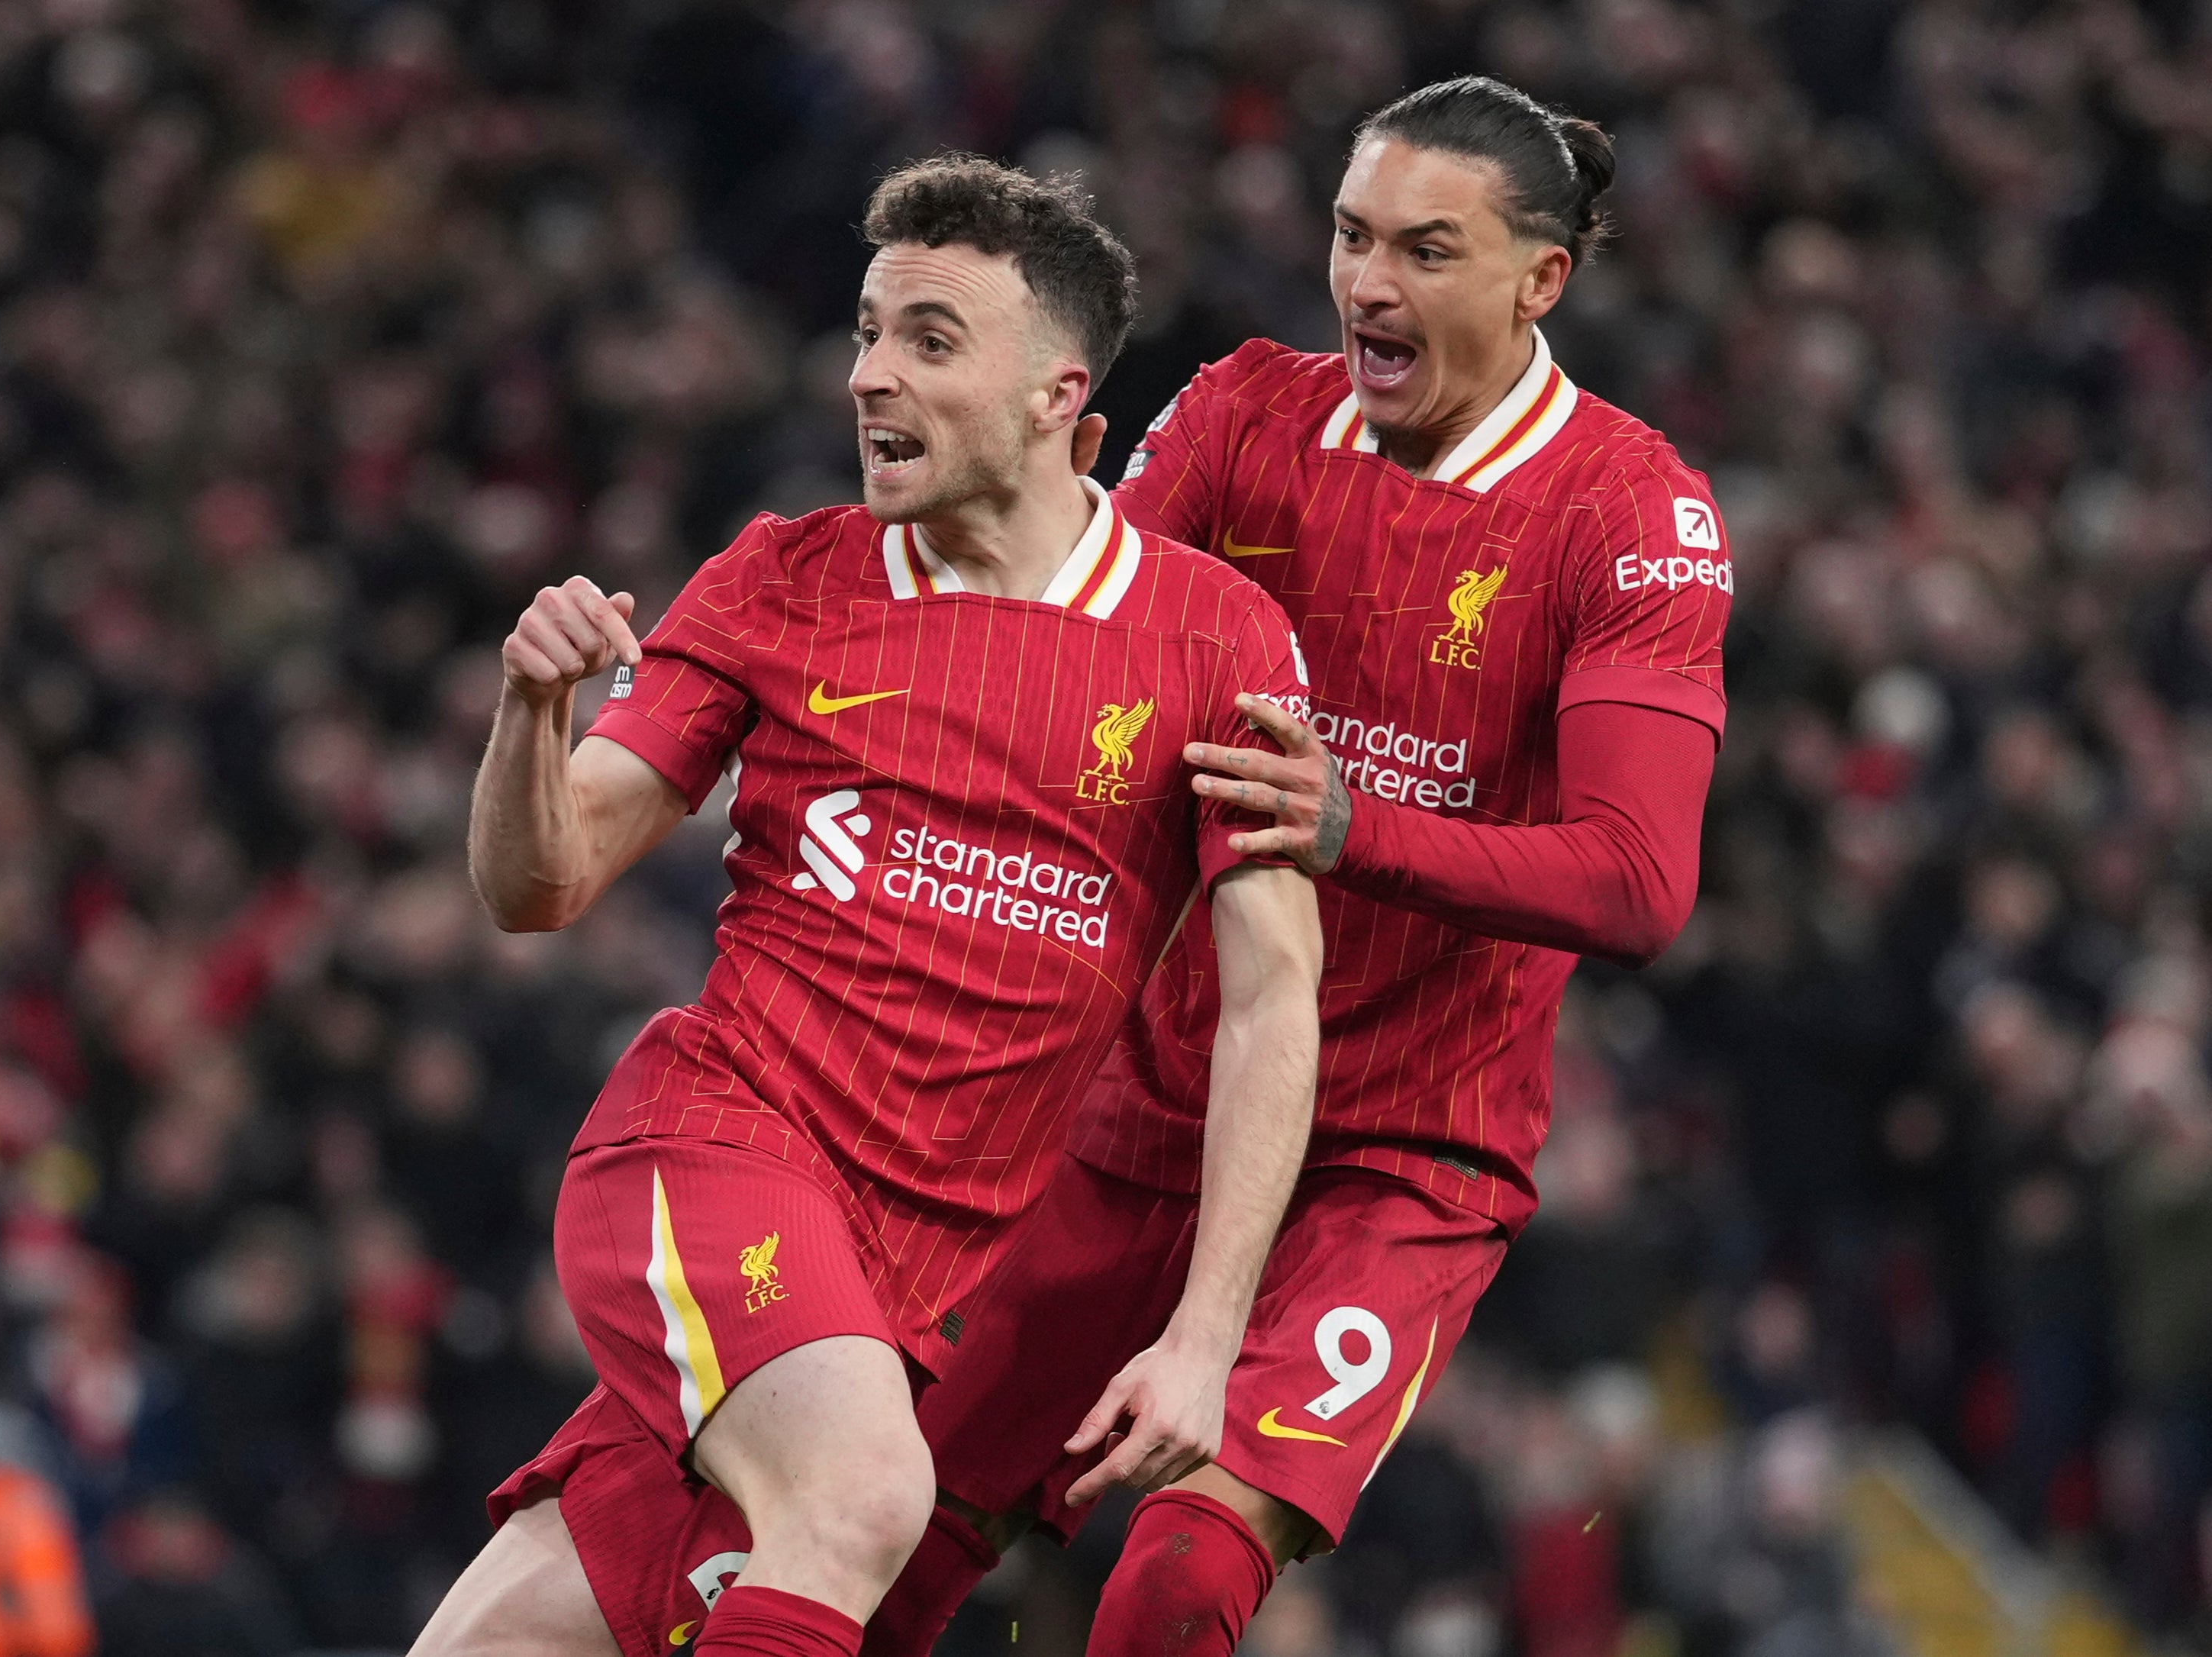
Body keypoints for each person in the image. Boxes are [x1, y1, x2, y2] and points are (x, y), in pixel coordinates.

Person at [542, 74, 1733, 1657]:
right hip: (1137, 1113)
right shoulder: (1243, 413)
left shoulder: (1631, 513)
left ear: (1539, 282)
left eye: (1425, 251)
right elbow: (1059, 611)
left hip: (1400, 1153)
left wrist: (1346, 828)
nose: (1367, 285)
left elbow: (1637, 883)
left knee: (1172, 1581)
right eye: (1348, 236)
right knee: (859, 1531)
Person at [408, 156, 1325, 1657]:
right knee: (856, 1505)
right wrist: (528, 715)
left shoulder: (1217, 638)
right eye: (865, 331)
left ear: (1054, 393)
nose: (867, 376)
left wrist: (1204, 1334)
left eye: (928, 341)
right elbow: (541, 881)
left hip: (891, 1297)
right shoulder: (783, 579)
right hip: (707, 1153)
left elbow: (1273, 996)